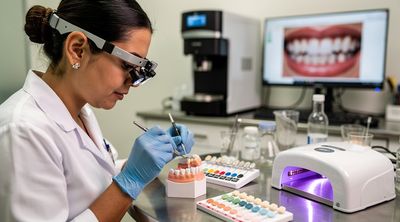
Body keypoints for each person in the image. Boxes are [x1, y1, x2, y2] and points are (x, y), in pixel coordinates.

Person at [0, 0, 194, 221]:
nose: (132, 82)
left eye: (140, 71)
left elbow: (96, 175)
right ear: (77, 50)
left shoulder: (80, 112)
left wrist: (151, 158)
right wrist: (130, 180)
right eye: (128, 66)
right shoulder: (22, 131)